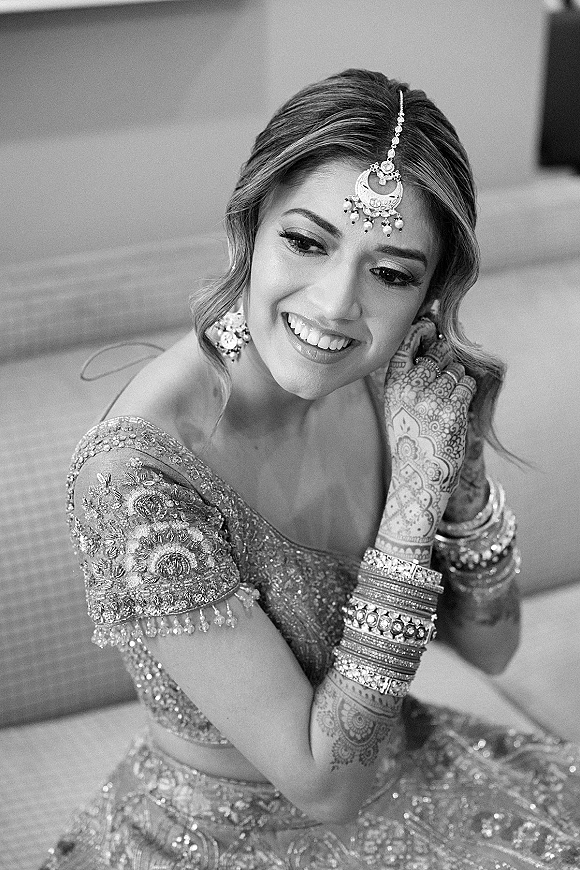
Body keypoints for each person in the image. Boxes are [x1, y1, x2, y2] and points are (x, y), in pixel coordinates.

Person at [44, 69, 580, 869]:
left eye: (391, 273)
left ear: (430, 295)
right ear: (250, 226)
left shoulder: (392, 381)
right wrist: (408, 515)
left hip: (410, 767)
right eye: (306, 241)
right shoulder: (138, 476)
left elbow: (494, 651)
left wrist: (457, 480)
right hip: (220, 835)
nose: (334, 306)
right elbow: (325, 787)